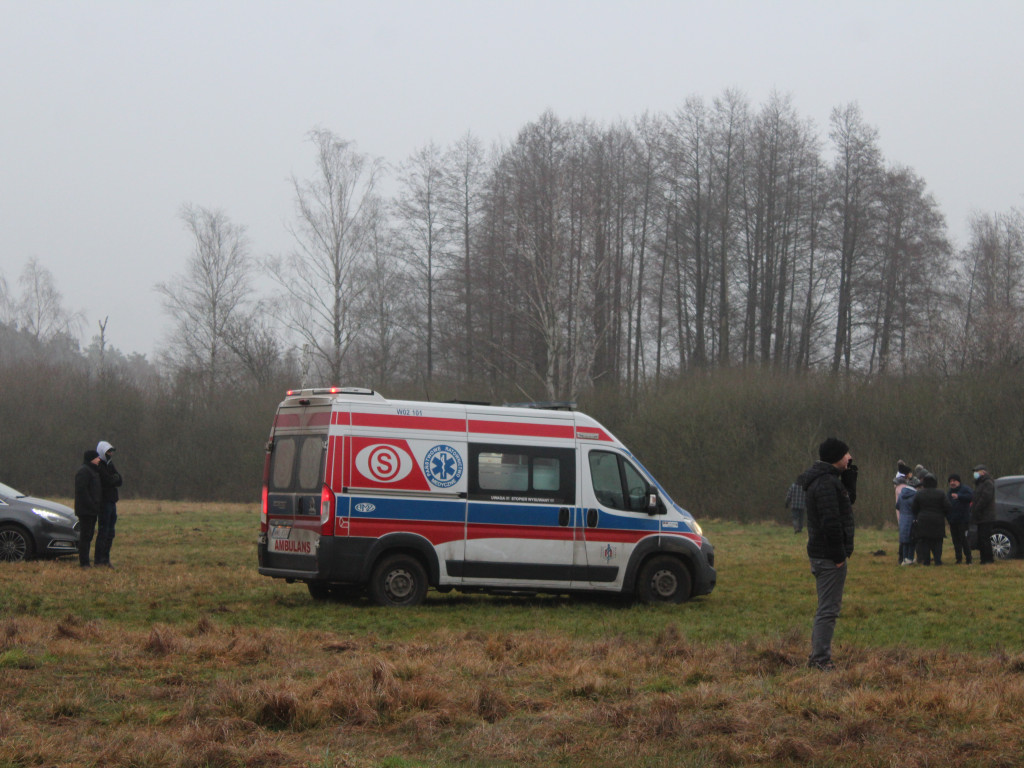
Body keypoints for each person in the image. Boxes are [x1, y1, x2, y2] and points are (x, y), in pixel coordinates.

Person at [797, 437, 856, 671]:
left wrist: (850, 483)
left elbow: (844, 505)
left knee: (828, 607)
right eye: (846, 454)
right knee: (828, 609)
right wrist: (839, 555)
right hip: (829, 556)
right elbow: (830, 521)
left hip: (825, 554)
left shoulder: (829, 481)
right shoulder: (824, 484)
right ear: (835, 457)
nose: (850, 457)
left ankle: (819, 657)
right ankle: (820, 660)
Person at [910, 474, 950, 565]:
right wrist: (942, 514)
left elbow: (913, 508)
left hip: (923, 520)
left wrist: (919, 514)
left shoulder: (919, 493)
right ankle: (938, 560)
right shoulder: (941, 493)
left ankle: (926, 561)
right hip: (938, 520)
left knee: (925, 541)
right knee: (938, 541)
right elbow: (948, 506)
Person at [94, 440, 122, 568]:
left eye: (111, 451)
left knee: (111, 532)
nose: (111, 454)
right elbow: (108, 480)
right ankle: (99, 560)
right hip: (104, 503)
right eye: (108, 451)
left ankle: (106, 559)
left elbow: (119, 480)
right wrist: (114, 479)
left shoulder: (110, 464)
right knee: (103, 531)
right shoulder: (99, 465)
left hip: (112, 502)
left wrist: (114, 479)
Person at [74, 449, 102, 567]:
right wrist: (91, 504)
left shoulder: (92, 471)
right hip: (85, 510)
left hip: (91, 510)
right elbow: (82, 491)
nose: (99, 459)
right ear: (91, 458)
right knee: (85, 537)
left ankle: (86, 561)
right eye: (97, 457)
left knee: (89, 535)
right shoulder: (84, 471)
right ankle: (84, 562)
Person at [946, 474, 974, 564]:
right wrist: (949, 517)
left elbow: (972, 497)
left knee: (964, 539)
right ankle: (958, 558)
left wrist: (959, 496)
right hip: (953, 521)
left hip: (963, 520)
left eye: (954, 481)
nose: (952, 483)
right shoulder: (949, 492)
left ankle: (969, 558)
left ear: (959, 481)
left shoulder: (965, 489)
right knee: (955, 540)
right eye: (950, 481)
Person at [971, 464, 996, 565]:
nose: (975, 474)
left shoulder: (988, 483)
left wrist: (977, 508)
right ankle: (984, 559)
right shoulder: (980, 484)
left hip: (986, 516)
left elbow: (985, 498)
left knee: (985, 538)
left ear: (983, 472)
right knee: (981, 538)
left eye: (977, 471)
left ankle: (988, 559)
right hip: (981, 516)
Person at [895, 474, 918, 565]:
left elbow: (897, 506)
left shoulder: (901, 494)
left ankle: (904, 558)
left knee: (904, 540)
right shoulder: (915, 495)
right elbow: (916, 508)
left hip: (902, 519)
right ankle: (910, 558)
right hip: (912, 519)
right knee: (912, 540)